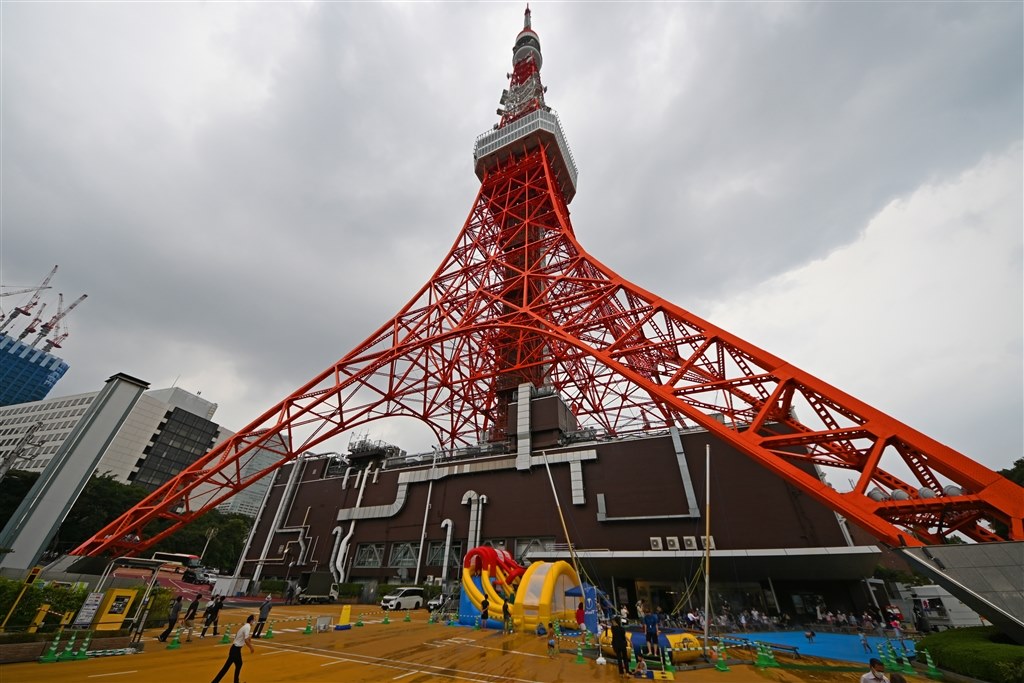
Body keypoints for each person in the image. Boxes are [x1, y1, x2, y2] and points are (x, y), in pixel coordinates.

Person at [211, 613, 255, 683]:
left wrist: (249, 638)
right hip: (235, 650)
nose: (254, 622)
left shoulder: (245, 626)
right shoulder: (247, 627)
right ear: (251, 621)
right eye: (254, 620)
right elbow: (246, 640)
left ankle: (218, 681)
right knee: (229, 667)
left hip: (235, 649)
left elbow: (244, 637)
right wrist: (251, 647)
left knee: (236, 665)